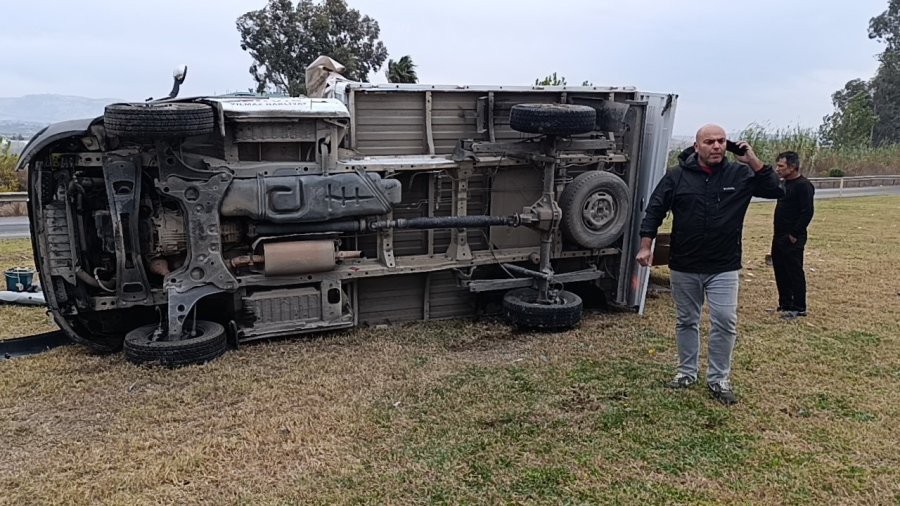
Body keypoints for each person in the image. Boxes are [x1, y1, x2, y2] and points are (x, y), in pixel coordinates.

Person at [636, 124, 783, 405]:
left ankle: (718, 379)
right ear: (697, 146)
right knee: (687, 320)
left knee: (725, 320)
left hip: (724, 265)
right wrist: (646, 246)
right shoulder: (677, 176)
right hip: (685, 264)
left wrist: (751, 159)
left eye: (721, 141)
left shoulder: (740, 174)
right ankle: (687, 372)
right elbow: (655, 209)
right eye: (709, 142)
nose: (716, 146)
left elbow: (775, 188)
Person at [771, 151, 815, 320]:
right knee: (780, 269)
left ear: (793, 167)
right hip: (778, 235)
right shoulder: (784, 184)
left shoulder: (803, 185)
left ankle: (799, 307)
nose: (778, 169)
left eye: (781, 166)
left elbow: (807, 212)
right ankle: (785, 303)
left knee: (794, 271)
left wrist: (794, 234)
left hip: (792, 237)